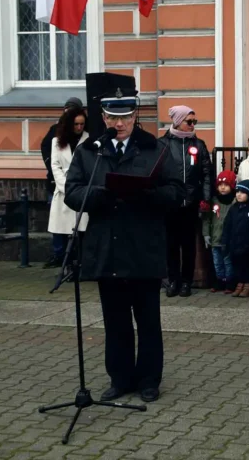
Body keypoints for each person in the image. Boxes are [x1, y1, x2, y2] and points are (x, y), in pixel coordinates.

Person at [65, 87, 185, 404]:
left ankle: (148, 379)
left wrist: (148, 194)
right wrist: (101, 194)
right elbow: (73, 192)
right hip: (108, 248)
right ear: (103, 118)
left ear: (135, 117)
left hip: (144, 246)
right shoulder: (91, 150)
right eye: (112, 118)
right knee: (115, 321)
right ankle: (120, 379)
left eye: (125, 118)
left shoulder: (155, 149)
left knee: (147, 320)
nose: (119, 124)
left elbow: (175, 192)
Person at [161, 105, 212, 298]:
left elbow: (207, 173)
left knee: (188, 245)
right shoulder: (163, 144)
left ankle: (186, 282)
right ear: (177, 121)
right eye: (188, 121)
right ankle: (173, 280)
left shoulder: (198, 145)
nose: (192, 125)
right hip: (170, 203)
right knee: (171, 245)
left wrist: (205, 198)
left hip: (191, 202)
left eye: (194, 122)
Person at [42, 96, 84, 268]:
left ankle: (75, 259)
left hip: (79, 186)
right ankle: (59, 254)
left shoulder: (85, 135)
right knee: (59, 224)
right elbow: (50, 158)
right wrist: (62, 182)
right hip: (58, 185)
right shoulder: (55, 131)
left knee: (78, 225)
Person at [48, 107, 90, 258]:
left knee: (82, 231)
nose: (79, 127)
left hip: (82, 188)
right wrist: (65, 185)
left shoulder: (88, 139)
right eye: (76, 124)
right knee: (64, 231)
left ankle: (81, 264)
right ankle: (67, 264)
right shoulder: (57, 141)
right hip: (63, 190)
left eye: (82, 124)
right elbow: (55, 165)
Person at [203, 171, 237, 293]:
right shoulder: (213, 201)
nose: (222, 187)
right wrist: (206, 234)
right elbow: (207, 219)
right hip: (215, 239)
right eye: (220, 184)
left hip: (227, 240)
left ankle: (229, 282)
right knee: (217, 262)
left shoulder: (234, 202)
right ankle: (219, 280)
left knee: (228, 262)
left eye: (226, 185)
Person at [222, 180, 249, 298]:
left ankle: (248, 284)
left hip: (247, 244)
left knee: (248, 265)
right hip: (234, 243)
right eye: (237, 192)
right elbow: (227, 225)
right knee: (236, 265)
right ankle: (239, 283)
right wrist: (225, 242)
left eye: (243, 192)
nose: (239, 195)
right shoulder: (233, 209)